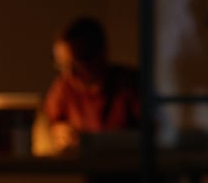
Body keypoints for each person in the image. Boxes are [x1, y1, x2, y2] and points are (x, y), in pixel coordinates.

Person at [41, 16, 142, 154]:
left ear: (101, 54)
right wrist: (58, 131)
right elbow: (48, 125)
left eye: (78, 64)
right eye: (63, 65)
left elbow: (154, 136)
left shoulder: (130, 85)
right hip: (83, 172)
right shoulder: (64, 88)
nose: (69, 74)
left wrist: (94, 142)